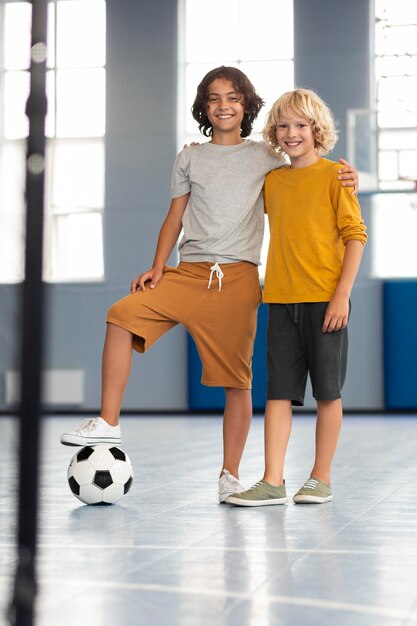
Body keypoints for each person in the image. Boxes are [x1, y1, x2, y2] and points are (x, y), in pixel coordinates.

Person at [60, 69, 359, 503]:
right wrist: (157, 265)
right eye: (214, 98)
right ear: (203, 106)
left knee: (239, 382)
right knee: (121, 315)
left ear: (246, 105)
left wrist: (351, 178)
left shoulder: (268, 161)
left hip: (239, 279)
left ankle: (231, 474)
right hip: (190, 272)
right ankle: (108, 421)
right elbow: (174, 215)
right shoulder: (192, 158)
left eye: (233, 97)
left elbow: (312, 172)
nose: (223, 105)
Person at [226, 88, 367, 507]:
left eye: (300, 125)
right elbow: (236, 176)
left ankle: (320, 477)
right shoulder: (273, 181)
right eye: (283, 126)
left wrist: (342, 295)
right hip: (281, 302)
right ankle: (272, 480)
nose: (291, 133)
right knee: (277, 395)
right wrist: (203, 150)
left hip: (326, 302)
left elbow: (355, 236)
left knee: (328, 393)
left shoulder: (335, 176)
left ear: (316, 130)